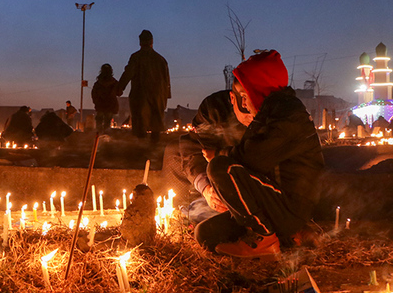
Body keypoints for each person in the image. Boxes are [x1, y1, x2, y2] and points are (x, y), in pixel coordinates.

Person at [195, 50, 325, 258]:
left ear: (259, 90)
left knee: (219, 167)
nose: (244, 103)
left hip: (290, 207)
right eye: (241, 98)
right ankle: (284, 236)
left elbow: (251, 159)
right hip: (273, 206)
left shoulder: (288, 115)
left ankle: (266, 239)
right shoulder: (270, 112)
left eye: (246, 96)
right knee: (205, 233)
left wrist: (217, 154)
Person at [163, 90, 246, 224]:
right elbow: (193, 148)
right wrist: (206, 189)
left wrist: (220, 155)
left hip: (250, 183)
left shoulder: (262, 119)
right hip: (214, 178)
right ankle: (182, 210)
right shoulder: (210, 111)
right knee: (174, 151)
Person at [117, 30, 171, 142]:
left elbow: (128, 73)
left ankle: (141, 150)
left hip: (141, 95)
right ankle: (154, 149)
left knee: (140, 123)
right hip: (158, 96)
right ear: (152, 42)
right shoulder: (161, 59)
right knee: (156, 124)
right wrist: (165, 96)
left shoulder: (136, 57)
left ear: (140, 42)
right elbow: (167, 81)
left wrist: (119, 88)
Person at [91, 64, 121, 133]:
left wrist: (96, 102)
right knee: (107, 121)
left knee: (99, 121)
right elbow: (119, 93)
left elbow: (94, 94)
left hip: (100, 105)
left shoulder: (98, 83)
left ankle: (97, 137)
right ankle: (106, 137)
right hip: (111, 105)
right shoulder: (114, 83)